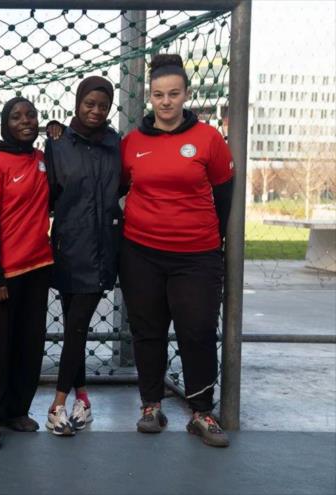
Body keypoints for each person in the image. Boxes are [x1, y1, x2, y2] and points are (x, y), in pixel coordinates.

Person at [120, 54, 234, 448]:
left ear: (186, 94)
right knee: (148, 331)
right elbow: (118, 187)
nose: (166, 101)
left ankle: (202, 412)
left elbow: (224, 194)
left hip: (196, 257)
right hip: (141, 254)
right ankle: (151, 405)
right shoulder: (132, 143)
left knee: (198, 331)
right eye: (158, 95)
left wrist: (206, 238)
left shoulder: (208, 139)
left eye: (173, 94)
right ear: (149, 97)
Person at [0, 97, 53, 449]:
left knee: (29, 344)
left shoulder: (42, 159)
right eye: (17, 116)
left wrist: (59, 139)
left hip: (38, 267)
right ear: (4, 123)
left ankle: (16, 409)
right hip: (5, 272)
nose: (25, 121)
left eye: (30, 115)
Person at [44, 76, 123, 436]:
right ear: (78, 103)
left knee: (76, 327)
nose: (95, 111)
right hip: (66, 247)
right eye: (89, 104)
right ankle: (83, 399)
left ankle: (58, 404)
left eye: (102, 106)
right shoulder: (57, 144)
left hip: (102, 247)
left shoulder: (115, 143)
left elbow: (123, 186)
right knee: (72, 325)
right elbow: (48, 194)